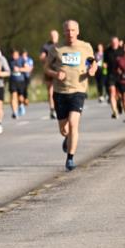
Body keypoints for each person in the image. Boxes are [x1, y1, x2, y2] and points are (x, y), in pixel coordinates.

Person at [43, 20, 96, 171]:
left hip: (78, 90)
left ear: (78, 31)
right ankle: (67, 138)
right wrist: (55, 73)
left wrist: (92, 69)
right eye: (67, 30)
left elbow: (93, 62)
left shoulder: (86, 47)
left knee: (74, 123)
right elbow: (46, 68)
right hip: (60, 92)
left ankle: (70, 158)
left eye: (73, 30)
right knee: (64, 129)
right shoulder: (56, 48)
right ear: (64, 32)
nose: (70, 33)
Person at [39, 30, 59, 119]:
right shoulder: (46, 46)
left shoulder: (61, 45)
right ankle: (52, 109)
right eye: (52, 35)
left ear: (58, 36)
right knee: (50, 92)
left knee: (59, 91)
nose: (53, 37)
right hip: (49, 71)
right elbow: (41, 57)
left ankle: (59, 108)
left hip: (59, 71)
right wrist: (49, 59)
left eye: (55, 36)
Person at [104, 36, 125, 118]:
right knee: (112, 92)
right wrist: (104, 65)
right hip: (111, 74)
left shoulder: (122, 50)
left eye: (115, 42)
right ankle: (115, 111)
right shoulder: (107, 51)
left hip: (120, 75)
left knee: (120, 94)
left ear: (118, 42)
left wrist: (122, 69)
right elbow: (105, 62)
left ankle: (119, 103)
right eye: (113, 42)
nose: (114, 44)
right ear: (111, 43)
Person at [8, 49, 29, 118]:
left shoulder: (22, 60)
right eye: (13, 55)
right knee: (13, 96)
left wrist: (19, 69)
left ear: (18, 55)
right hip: (12, 80)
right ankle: (14, 112)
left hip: (21, 81)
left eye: (16, 55)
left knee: (20, 98)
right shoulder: (9, 60)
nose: (14, 56)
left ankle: (21, 105)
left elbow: (27, 69)